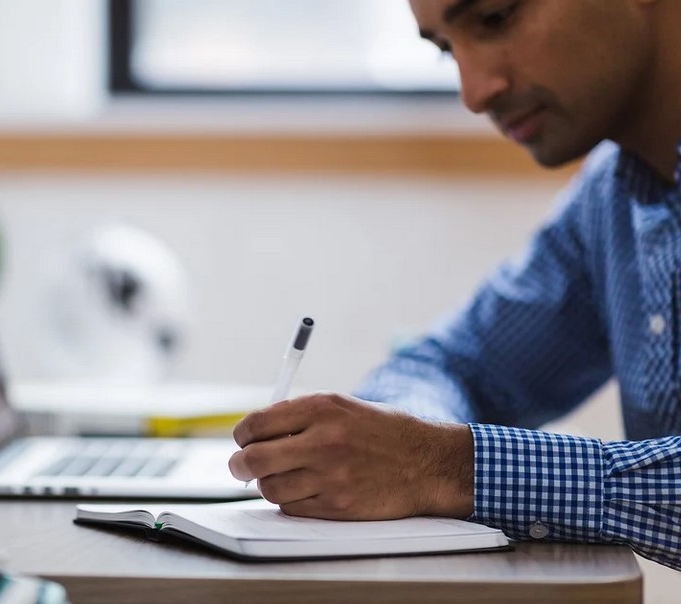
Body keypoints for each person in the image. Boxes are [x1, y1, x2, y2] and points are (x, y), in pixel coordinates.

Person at [228, 0, 681, 570]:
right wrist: (393, 443)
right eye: (446, 49)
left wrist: (443, 464)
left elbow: (439, 454)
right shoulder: (613, 197)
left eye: (495, 18)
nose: (473, 93)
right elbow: (456, 364)